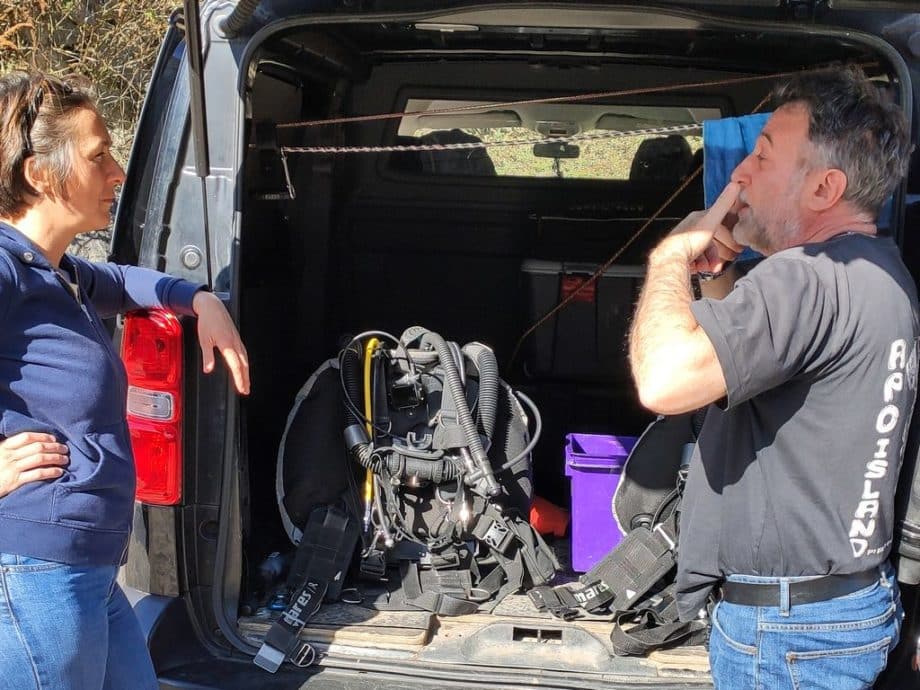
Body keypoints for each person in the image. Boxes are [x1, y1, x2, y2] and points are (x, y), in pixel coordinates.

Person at [629, 66, 916, 689]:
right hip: (846, 606)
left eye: (762, 156)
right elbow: (759, 361)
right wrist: (713, 275)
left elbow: (664, 381)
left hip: (786, 635)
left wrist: (670, 257)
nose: (738, 175)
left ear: (823, 187)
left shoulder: (802, 278)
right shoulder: (875, 273)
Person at [0, 72, 250, 688]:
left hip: (88, 572)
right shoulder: (7, 269)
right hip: (37, 575)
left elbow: (130, 281)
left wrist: (201, 301)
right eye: (98, 156)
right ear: (39, 174)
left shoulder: (60, 273)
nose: (115, 172)